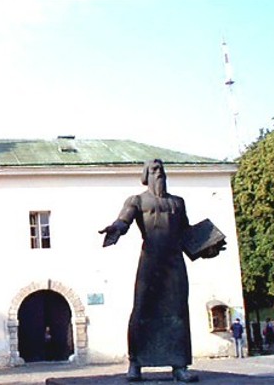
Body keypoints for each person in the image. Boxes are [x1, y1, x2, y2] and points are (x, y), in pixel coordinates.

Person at [99, 159, 224, 383]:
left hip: (174, 263)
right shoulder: (136, 200)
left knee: (177, 313)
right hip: (150, 261)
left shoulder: (178, 203)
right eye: (154, 170)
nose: (159, 174)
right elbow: (123, 220)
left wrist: (208, 248)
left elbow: (186, 235)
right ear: (146, 175)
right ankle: (135, 363)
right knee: (142, 309)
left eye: (162, 170)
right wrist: (115, 228)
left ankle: (179, 365)